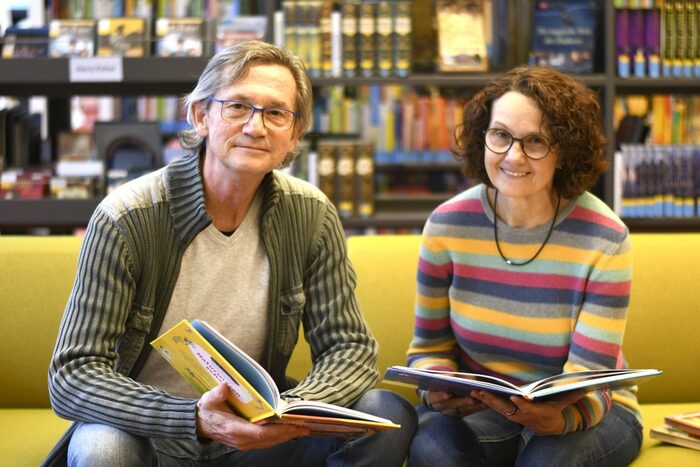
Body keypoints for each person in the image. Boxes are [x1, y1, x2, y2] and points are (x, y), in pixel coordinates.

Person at [45, 40, 416, 466]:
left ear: (294, 133)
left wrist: (290, 412)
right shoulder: (128, 217)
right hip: (150, 433)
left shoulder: (311, 214)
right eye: (237, 106)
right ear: (200, 116)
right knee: (101, 449)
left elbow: (349, 347)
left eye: (276, 113)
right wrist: (193, 417)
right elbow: (72, 375)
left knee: (384, 412)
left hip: (257, 436)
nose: (256, 128)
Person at [406, 65, 642, 466]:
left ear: (564, 150)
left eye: (535, 141)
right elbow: (428, 348)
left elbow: (592, 378)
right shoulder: (447, 224)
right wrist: (437, 390)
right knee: (432, 447)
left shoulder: (605, 237)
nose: (513, 156)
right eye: (500, 135)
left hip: (591, 410)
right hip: (488, 411)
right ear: (484, 136)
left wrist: (556, 420)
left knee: (548, 458)